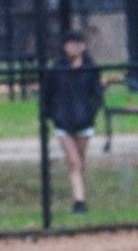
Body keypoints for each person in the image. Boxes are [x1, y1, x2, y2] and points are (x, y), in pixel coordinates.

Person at [42, 29, 104, 214]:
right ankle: (79, 202)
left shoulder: (90, 69)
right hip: (63, 123)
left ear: (83, 46)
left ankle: (80, 195)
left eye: (77, 43)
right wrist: (53, 116)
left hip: (84, 122)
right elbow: (48, 95)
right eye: (70, 43)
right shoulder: (56, 70)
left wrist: (91, 114)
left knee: (80, 162)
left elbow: (97, 95)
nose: (74, 47)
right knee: (74, 161)